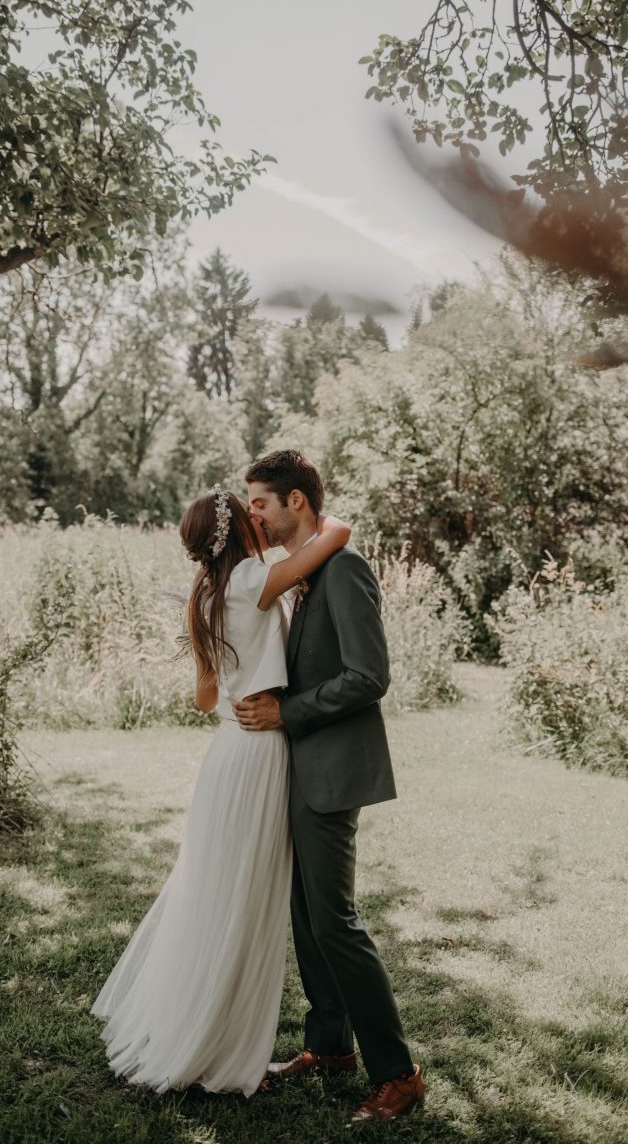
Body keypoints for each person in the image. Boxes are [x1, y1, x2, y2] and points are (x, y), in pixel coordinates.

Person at [90, 484, 352, 1097]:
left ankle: (205, 1029)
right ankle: (225, 1054)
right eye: (251, 509)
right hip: (259, 752)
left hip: (227, 752)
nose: (261, 515)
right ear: (239, 528)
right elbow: (336, 533)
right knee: (246, 904)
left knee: (217, 894)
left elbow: (205, 697)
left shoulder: (205, 592)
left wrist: (238, 674)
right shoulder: (250, 580)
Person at [235, 449, 425, 1125]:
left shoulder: (343, 569)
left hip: (332, 770)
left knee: (337, 923)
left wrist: (288, 710)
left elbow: (370, 674)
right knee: (307, 918)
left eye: (260, 500)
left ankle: (398, 1075)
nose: (251, 511)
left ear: (298, 502)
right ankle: (329, 1048)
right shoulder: (306, 572)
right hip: (298, 770)